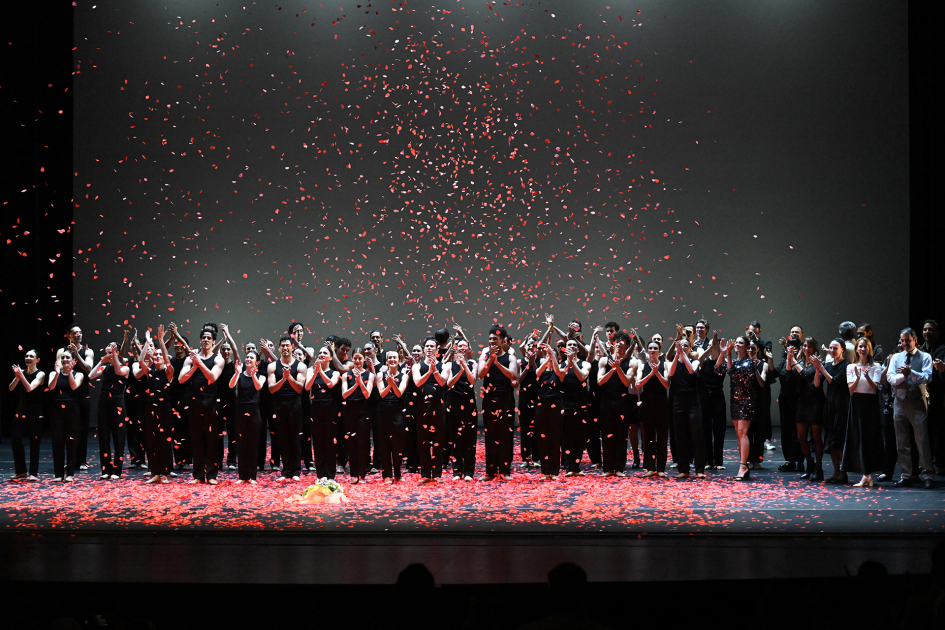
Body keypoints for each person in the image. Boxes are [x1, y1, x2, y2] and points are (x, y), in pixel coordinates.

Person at [887, 328, 934, 488]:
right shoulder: (896, 357)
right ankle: (906, 475)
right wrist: (903, 376)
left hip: (917, 402)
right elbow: (890, 378)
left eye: (907, 340)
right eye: (902, 340)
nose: (904, 343)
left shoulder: (925, 357)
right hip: (899, 402)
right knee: (901, 441)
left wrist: (911, 372)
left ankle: (928, 475)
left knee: (922, 440)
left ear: (915, 340)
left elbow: (927, 377)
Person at [179, 326, 225, 484]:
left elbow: (212, 377)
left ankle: (211, 476)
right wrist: (194, 366)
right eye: (203, 337)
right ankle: (198, 476)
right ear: (200, 340)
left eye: (208, 338)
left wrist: (199, 362)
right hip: (195, 401)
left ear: (213, 341)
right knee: (196, 439)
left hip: (211, 402)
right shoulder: (191, 358)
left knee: (212, 440)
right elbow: (181, 379)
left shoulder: (218, 359)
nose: (206, 340)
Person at [133, 327, 175, 484]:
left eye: (160, 355)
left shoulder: (168, 371)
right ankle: (156, 473)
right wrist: (148, 343)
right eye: (155, 354)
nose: (157, 356)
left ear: (164, 357)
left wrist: (161, 341)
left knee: (164, 442)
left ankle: (165, 473)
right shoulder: (149, 372)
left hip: (164, 410)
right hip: (150, 410)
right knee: (151, 441)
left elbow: (167, 360)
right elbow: (140, 361)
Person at [842, 337, 885, 487]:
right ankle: (866, 476)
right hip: (856, 404)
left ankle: (867, 475)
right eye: (860, 346)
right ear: (857, 349)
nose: (863, 349)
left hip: (870, 404)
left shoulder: (876, 366)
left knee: (870, 438)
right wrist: (858, 377)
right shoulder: (851, 367)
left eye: (865, 347)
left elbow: (874, 388)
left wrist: (866, 376)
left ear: (869, 349)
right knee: (858, 438)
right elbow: (851, 389)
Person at [478, 326, 519, 481]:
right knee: (490, 435)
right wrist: (490, 360)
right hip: (489, 400)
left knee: (505, 435)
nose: (492, 341)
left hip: (505, 399)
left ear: (502, 340)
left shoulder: (510, 357)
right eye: (490, 339)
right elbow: (480, 374)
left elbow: (513, 375)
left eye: (495, 339)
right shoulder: (484, 356)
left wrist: (498, 362)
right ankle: (490, 471)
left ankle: (505, 470)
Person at [715, 336, 758, 481]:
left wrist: (728, 355)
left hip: (746, 400)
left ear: (746, 347)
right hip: (735, 401)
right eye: (737, 342)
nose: (737, 344)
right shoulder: (733, 360)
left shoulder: (749, 363)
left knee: (743, 432)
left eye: (741, 342)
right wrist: (723, 352)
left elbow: (733, 372)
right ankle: (743, 465)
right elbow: (718, 370)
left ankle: (743, 466)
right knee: (739, 434)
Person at [88, 341, 130, 480]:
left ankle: (117, 470)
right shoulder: (105, 368)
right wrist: (102, 361)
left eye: (111, 352)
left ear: (117, 353)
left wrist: (115, 357)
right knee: (104, 436)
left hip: (117, 403)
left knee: (118, 437)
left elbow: (118, 371)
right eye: (108, 352)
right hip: (104, 402)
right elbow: (91, 375)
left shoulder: (125, 368)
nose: (109, 354)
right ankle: (106, 469)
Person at [596, 332, 636, 477]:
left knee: (621, 434)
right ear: (613, 344)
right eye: (617, 341)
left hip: (622, 401)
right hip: (606, 400)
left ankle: (619, 468)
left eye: (622, 342)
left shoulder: (632, 361)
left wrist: (618, 368)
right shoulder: (604, 360)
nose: (619, 344)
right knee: (607, 434)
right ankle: (608, 468)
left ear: (627, 345)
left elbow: (626, 382)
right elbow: (600, 381)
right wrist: (612, 369)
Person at [267, 335, 305, 482]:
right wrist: (283, 378)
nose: (285, 348)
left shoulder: (300, 366)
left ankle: (296, 470)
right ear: (279, 348)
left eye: (287, 345)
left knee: (294, 437)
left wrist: (289, 377)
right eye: (282, 345)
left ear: (292, 347)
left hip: (295, 404)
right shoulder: (272, 366)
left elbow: (299, 388)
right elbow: (271, 389)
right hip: (278, 404)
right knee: (282, 438)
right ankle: (286, 470)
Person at [787, 337, 825, 482]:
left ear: (814, 348)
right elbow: (789, 375)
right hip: (802, 402)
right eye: (804, 346)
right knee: (801, 436)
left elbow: (807, 375)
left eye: (809, 346)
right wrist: (789, 359)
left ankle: (818, 467)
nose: (806, 348)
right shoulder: (801, 362)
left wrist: (793, 360)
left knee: (816, 436)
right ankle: (810, 464)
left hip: (816, 401)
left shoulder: (818, 362)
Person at [57, 324, 94, 471]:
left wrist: (77, 355)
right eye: (75, 333)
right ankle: (71, 460)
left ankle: (81, 460)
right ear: (69, 336)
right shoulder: (62, 351)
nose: (79, 335)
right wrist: (67, 361)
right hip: (67, 392)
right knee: (68, 428)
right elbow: (59, 368)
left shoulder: (88, 351)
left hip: (82, 393)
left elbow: (89, 370)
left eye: (80, 332)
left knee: (82, 427)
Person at [666, 337, 705, 479]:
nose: (683, 348)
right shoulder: (672, 361)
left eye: (686, 346)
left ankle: (699, 469)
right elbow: (671, 373)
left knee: (696, 435)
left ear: (690, 348)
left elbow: (691, 370)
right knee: (680, 436)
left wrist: (683, 354)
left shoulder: (694, 361)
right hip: (678, 401)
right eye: (681, 346)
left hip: (693, 402)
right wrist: (677, 355)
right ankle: (684, 469)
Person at [443, 339, 478, 482]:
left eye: (465, 346)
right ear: (455, 349)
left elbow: (473, 380)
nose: (462, 349)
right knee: (455, 438)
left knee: (470, 438)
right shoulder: (449, 365)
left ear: (468, 349)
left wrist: (464, 365)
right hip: (454, 402)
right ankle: (457, 472)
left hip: (469, 403)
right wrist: (460, 370)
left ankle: (469, 472)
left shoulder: (473, 363)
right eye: (459, 346)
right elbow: (448, 383)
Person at [816, 339, 851, 484]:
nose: (832, 350)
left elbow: (835, 381)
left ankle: (843, 472)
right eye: (830, 348)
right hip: (830, 404)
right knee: (830, 439)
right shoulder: (828, 365)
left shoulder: (846, 365)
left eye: (835, 348)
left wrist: (822, 369)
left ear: (842, 349)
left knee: (839, 439)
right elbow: (817, 384)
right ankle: (836, 471)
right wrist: (817, 369)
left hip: (841, 404)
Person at [413, 338, 447, 484]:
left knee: (438, 439)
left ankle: (437, 473)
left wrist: (435, 371)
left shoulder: (444, 365)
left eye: (432, 346)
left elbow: (443, 382)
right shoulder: (417, 366)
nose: (428, 348)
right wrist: (429, 371)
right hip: (422, 405)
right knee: (423, 440)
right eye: (426, 346)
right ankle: (426, 474)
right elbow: (417, 382)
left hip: (438, 405)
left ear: (437, 349)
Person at [48, 350, 84, 482]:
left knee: (71, 441)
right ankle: (58, 474)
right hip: (57, 410)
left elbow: (74, 387)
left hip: (72, 410)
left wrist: (69, 373)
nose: (64, 360)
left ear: (73, 361)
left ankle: (70, 473)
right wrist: (58, 373)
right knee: (57, 441)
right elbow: (51, 387)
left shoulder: (78, 374)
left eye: (67, 357)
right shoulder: (53, 373)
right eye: (62, 358)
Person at [9, 350, 45, 481]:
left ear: (37, 360)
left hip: (35, 412)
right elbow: (11, 388)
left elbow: (29, 388)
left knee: (34, 442)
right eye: (26, 356)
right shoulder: (22, 372)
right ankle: (21, 471)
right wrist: (17, 377)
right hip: (21, 410)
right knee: (15, 439)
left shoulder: (40, 374)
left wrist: (21, 375)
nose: (28, 358)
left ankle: (33, 472)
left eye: (31, 356)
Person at [306, 346, 341, 480]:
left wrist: (321, 371)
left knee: (330, 441)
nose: (321, 354)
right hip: (316, 408)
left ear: (330, 357)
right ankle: (320, 475)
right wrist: (316, 372)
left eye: (324, 353)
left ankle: (330, 474)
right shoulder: (311, 371)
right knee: (318, 441)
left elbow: (331, 384)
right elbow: (307, 387)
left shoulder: (334, 372)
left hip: (330, 408)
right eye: (319, 352)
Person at [231, 349, 265, 484]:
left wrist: (254, 375)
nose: (248, 359)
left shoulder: (261, 376)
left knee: (253, 444)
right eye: (247, 357)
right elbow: (231, 385)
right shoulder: (239, 375)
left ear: (257, 363)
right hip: (240, 411)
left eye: (251, 358)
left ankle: (252, 476)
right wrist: (237, 372)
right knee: (241, 444)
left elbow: (258, 387)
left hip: (254, 411)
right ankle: (242, 476)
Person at [559, 339, 592, 476]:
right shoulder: (561, 365)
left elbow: (582, 377)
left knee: (579, 435)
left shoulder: (585, 363)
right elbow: (560, 378)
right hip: (565, 403)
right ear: (565, 349)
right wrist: (569, 362)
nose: (572, 346)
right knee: (566, 435)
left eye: (574, 345)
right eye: (569, 345)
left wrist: (573, 361)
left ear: (578, 349)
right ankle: (568, 467)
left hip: (581, 403)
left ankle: (576, 467)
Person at [637, 340, 669, 478]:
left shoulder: (665, 364)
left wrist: (657, 373)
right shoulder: (642, 365)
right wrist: (651, 373)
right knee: (649, 436)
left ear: (660, 351)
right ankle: (650, 467)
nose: (652, 350)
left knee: (662, 436)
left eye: (655, 348)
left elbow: (666, 384)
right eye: (650, 348)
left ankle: (661, 468)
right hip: (647, 403)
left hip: (661, 403)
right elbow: (638, 384)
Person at [341, 351, 374, 483]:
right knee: (351, 443)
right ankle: (354, 474)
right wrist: (355, 384)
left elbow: (367, 394)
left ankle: (362, 474)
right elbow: (344, 395)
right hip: (350, 411)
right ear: (352, 359)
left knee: (363, 442)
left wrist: (360, 382)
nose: (358, 361)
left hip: (363, 411)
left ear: (364, 359)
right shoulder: (346, 375)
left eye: (360, 358)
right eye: (355, 358)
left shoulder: (370, 375)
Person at [776, 326, 806, 473]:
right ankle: (790, 460)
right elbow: (779, 370)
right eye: (792, 332)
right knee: (786, 429)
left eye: (796, 332)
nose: (794, 334)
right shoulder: (785, 353)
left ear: (801, 335)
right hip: (785, 396)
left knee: (798, 431)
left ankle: (800, 461)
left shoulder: (803, 354)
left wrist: (791, 357)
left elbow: (793, 374)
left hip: (798, 397)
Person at [377, 350, 409, 483]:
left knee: (397, 443)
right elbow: (382, 394)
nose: (392, 360)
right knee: (384, 443)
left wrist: (392, 383)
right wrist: (390, 384)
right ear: (386, 361)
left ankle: (397, 473)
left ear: (399, 360)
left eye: (394, 357)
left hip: (397, 410)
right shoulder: (380, 374)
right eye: (389, 358)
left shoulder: (404, 376)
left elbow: (399, 393)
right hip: (383, 410)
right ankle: (387, 475)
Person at [535, 342, 565, 480]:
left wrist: (553, 355)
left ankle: (554, 472)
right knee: (543, 440)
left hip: (555, 407)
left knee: (554, 439)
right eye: (547, 355)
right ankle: (545, 471)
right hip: (542, 407)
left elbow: (558, 373)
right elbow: (537, 372)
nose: (549, 357)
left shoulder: (560, 371)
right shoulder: (542, 371)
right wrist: (548, 358)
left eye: (552, 355)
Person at [167, 323, 193, 471]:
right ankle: (179, 460)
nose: (178, 346)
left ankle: (188, 460)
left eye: (180, 344)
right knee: (176, 430)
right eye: (175, 344)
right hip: (173, 398)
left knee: (187, 429)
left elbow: (189, 350)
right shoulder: (171, 360)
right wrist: (171, 337)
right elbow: (162, 351)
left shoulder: (189, 359)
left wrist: (177, 334)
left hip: (187, 398)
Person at [921, 320, 945, 474]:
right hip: (921, 395)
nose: (927, 332)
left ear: (937, 332)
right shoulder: (920, 349)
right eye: (925, 329)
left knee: (938, 431)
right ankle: (926, 462)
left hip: (937, 395)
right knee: (924, 431)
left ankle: (940, 462)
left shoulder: (942, 349)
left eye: (930, 330)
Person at [217, 324, 240, 470]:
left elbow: (236, 350)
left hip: (232, 402)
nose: (226, 351)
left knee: (232, 432)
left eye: (228, 349)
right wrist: (221, 339)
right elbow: (214, 351)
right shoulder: (217, 364)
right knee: (218, 433)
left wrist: (228, 335)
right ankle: (218, 461)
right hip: (218, 402)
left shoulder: (234, 365)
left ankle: (231, 461)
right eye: (223, 349)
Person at [517, 334, 539, 469]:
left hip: (537, 395)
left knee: (536, 427)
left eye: (534, 345)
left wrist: (533, 363)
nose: (531, 346)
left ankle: (536, 458)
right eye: (529, 344)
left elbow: (540, 376)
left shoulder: (540, 360)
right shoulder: (520, 361)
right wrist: (528, 365)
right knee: (525, 428)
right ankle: (525, 458)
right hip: (524, 396)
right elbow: (519, 379)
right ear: (525, 347)